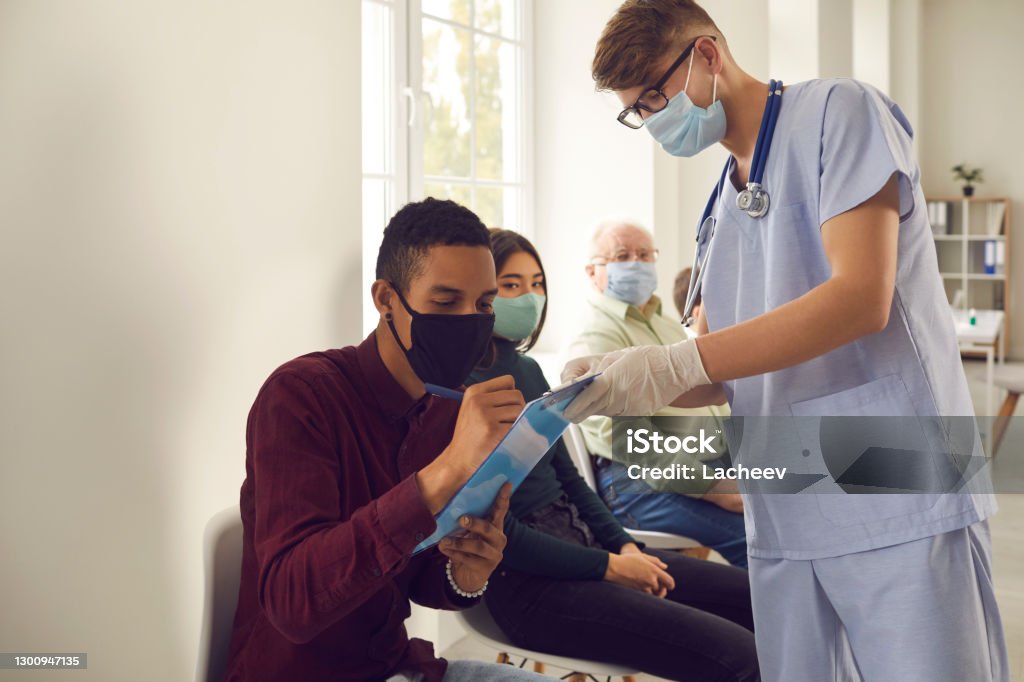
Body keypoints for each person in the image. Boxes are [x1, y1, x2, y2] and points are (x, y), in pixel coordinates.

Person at [562, 2, 1008, 681]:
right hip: (785, 505)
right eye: (639, 111)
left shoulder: (840, 113)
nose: (654, 119)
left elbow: (861, 298)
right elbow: (724, 372)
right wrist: (619, 381)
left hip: (894, 482)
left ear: (708, 55)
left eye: (656, 95)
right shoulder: (720, 203)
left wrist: (676, 360)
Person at [223, 199, 550, 682]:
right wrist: (444, 473)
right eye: (444, 302)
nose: (469, 321)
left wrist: (466, 572)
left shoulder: (447, 408)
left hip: (400, 667)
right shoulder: (300, 396)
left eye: (482, 305)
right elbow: (293, 604)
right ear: (386, 299)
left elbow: (417, 579)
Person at [466, 228, 759, 682]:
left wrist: (621, 545)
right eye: (511, 285)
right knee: (742, 657)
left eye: (537, 283)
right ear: (481, 293)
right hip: (532, 586)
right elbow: (496, 529)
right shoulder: (464, 391)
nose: (528, 297)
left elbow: (569, 480)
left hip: (589, 543)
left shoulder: (527, 370)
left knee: (762, 602)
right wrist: (610, 565)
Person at [567, 221, 748, 568]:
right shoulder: (595, 338)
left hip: (698, 463)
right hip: (639, 484)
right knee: (755, 536)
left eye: (644, 254)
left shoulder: (666, 323)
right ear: (593, 272)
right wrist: (712, 486)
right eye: (622, 256)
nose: (636, 262)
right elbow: (633, 445)